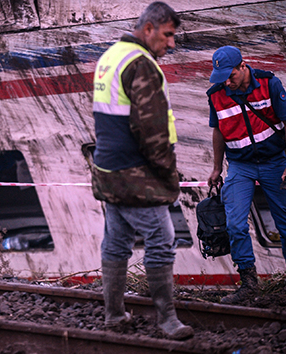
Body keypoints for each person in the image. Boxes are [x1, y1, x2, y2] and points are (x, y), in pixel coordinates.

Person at [90, 1, 193, 340]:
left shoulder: (109, 57)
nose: (172, 44)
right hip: (136, 174)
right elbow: (151, 130)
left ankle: (114, 315)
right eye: (168, 35)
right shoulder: (142, 64)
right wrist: (167, 174)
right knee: (162, 241)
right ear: (148, 29)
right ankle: (167, 320)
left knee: (116, 242)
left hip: (108, 170)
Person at [206, 46, 286, 304]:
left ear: (243, 66)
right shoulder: (216, 95)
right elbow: (219, 131)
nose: (226, 82)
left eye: (230, 75)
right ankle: (249, 284)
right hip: (240, 165)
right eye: (221, 77)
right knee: (234, 224)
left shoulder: (269, 84)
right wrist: (217, 168)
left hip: (274, 162)